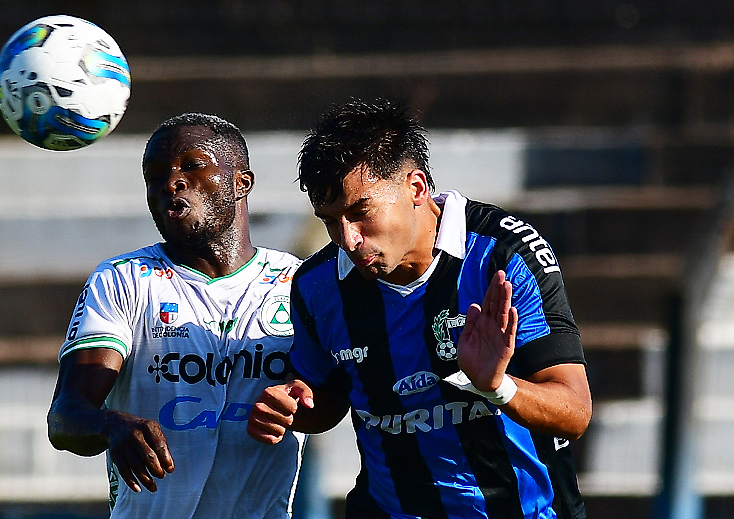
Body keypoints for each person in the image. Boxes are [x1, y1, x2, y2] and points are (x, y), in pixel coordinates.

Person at [247, 99, 592, 519]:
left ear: (416, 187)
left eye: (360, 212)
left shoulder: (504, 257)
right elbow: (326, 402)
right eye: (331, 220)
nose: (348, 239)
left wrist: (496, 386)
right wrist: (293, 406)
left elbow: (574, 411)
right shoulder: (318, 286)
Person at [47, 113, 305, 518]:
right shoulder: (122, 281)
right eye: (154, 175)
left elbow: (332, 399)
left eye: (192, 165)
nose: (170, 183)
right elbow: (65, 416)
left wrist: (301, 401)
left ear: (242, 182)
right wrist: (110, 425)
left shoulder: (297, 283)